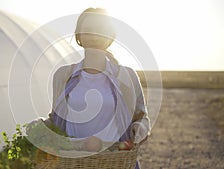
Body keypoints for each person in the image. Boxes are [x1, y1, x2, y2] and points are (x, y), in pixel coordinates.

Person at [46, 8, 151, 169]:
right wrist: (38, 128)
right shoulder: (63, 75)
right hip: (73, 162)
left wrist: (139, 128)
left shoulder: (127, 76)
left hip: (115, 161)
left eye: (101, 31)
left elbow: (142, 117)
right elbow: (56, 120)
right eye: (88, 31)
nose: (95, 36)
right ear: (78, 35)